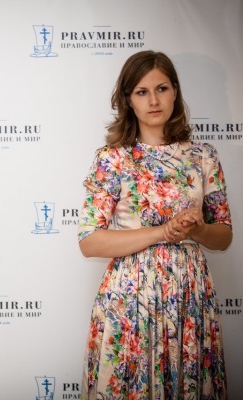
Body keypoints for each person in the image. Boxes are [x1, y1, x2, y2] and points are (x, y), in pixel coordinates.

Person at [78, 50, 232, 399]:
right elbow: (89, 241)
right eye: (141, 92)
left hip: (189, 296)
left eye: (161, 88)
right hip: (130, 297)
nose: (153, 100)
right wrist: (163, 232)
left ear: (175, 91)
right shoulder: (112, 159)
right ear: (128, 99)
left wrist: (196, 230)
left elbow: (223, 236)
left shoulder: (203, 156)